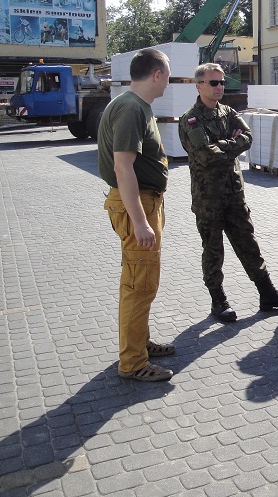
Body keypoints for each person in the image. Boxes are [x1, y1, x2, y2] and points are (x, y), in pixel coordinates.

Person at [178, 63, 278, 322]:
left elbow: (248, 136)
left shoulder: (228, 112)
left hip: (234, 194)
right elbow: (205, 155)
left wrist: (222, 145)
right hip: (208, 198)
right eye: (213, 83)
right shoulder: (191, 119)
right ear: (198, 86)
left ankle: (267, 293)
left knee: (248, 243)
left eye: (222, 82)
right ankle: (218, 300)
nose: (220, 87)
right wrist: (233, 144)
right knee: (213, 249)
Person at [98, 48, 175, 382]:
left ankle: (140, 343)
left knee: (140, 280)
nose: (169, 82)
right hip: (137, 205)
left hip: (143, 201)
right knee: (138, 284)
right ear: (157, 74)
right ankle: (132, 362)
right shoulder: (132, 108)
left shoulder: (136, 105)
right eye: (168, 75)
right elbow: (122, 167)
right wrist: (141, 222)